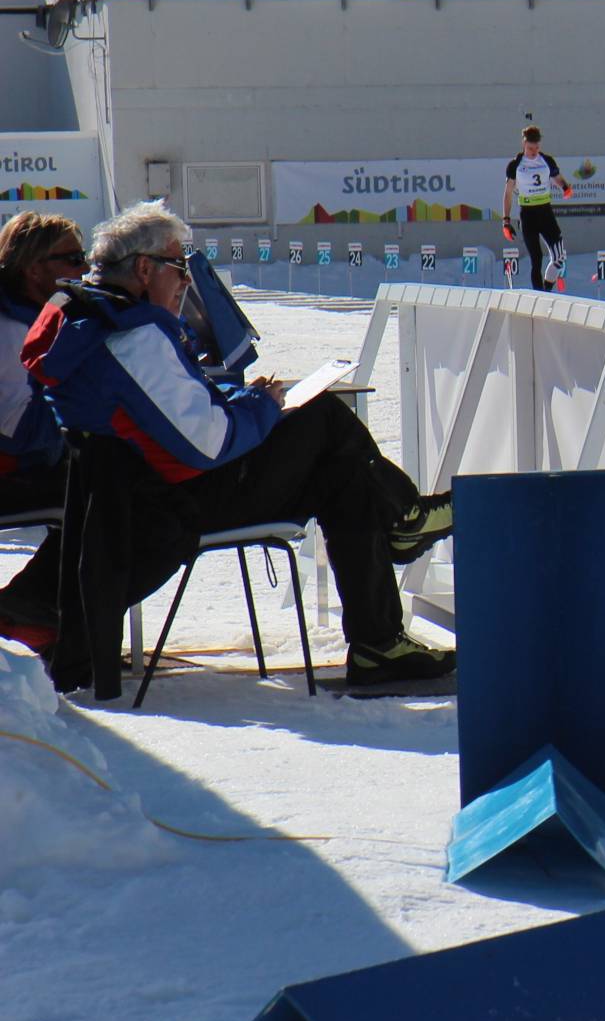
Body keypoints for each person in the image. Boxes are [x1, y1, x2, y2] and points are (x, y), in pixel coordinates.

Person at [25, 201, 459, 687]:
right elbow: (208, 443)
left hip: (147, 497)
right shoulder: (133, 339)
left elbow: (180, 406)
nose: (187, 281)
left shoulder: (99, 320)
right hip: (177, 504)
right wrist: (266, 409)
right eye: (179, 266)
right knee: (325, 417)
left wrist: (247, 399)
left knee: (344, 476)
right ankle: (403, 526)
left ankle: (381, 637)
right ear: (144, 269)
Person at [0, 213, 85, 654]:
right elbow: (19, 435)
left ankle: (48, 613)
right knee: (108, 493)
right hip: (12, 471)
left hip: (27, 464)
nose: (84, 269)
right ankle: (29, 611)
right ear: (34, 270)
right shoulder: (12, 330)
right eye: (72, 259)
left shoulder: (37, 319)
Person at [501, 123, 572, 292]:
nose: (534, 152)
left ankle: (547, 290)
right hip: (528, 215)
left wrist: (565, 187)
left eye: (537, 148)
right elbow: (508, 193)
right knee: (536, 258)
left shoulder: (546, 160)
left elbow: (556, 177)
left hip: (545, 213)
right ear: (524, 145)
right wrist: (506, 221)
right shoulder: (515, 165)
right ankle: (538, 294)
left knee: (559, 257)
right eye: (531, 148)